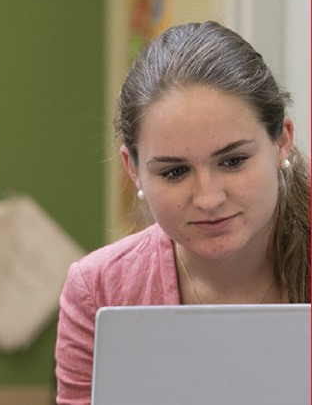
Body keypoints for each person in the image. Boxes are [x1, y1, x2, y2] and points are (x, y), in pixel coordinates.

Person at [55, 20, 310, 405]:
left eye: (234, 161)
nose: (208, 198)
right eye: (175, 172)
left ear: (282, 142)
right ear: (133, 168)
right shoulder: (99, 289)